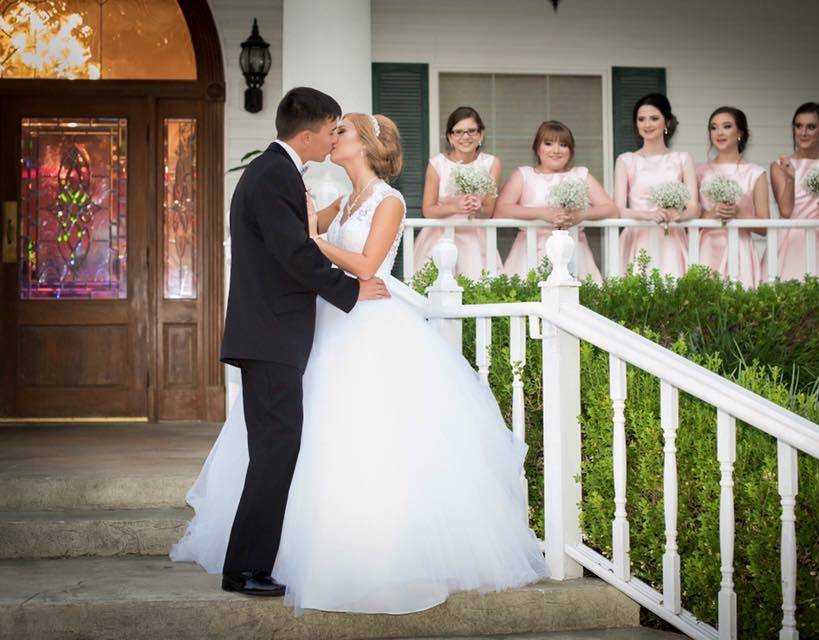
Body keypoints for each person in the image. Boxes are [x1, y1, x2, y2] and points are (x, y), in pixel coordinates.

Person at [172, 109, 547, 615]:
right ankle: (275, 547)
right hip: (328, 316)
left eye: (342, 130)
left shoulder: (388, 201)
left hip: (368, 320)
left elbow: (368, 265)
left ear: (366, 144)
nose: (333, 137)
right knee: (300, 434)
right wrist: (307, 221)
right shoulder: (343, 199)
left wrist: (316, 242)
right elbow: (297, 234)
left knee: (363, 432)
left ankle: (364, 550)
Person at [199, 87, 388, 597]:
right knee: (277, 449)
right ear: (307, 134)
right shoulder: (273, 176)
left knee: (272, 449)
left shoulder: (273, 173)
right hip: (271, 333)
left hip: (268, 332)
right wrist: (352, 290)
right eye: (331, 129)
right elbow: (295, 254)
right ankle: (246, 569)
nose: (333, 138)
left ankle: (246, 563)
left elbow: (295, 246)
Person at [497, 120, 615, 281]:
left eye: (563, 145)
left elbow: (611, 209)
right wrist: (542, 214)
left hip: (574, 253)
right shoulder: (524, 174)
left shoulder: (580, 175)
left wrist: (580, 215)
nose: (556, 150)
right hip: (529, 253)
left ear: (571, 151)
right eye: (548, 143)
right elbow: (501, 210)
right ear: (537, 148)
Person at [412, 106, 502, 279]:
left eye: (471, 131)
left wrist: (478, 209)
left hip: (475, 239)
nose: (466, 137)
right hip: (440, 236)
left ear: (481, 135)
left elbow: (489, 211)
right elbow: (428, 209)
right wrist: (456, 207)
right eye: (458, 132)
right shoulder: (437, 164)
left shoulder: (492, 163)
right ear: (450, 137)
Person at [615, 93, 698, 278]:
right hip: (638, 237)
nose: (647, 124)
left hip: (671, 238)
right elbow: (619, 209)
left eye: (654, 118)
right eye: (641, 119)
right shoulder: (626, 160)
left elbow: (694, 207)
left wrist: (678, 215)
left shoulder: (682, 159)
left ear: (667, 122)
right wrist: (648, 215)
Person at [766, 102, 819, 280]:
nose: (803, 132)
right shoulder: (780, 165)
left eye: (811, 127)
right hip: (788, 240)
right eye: (798, 126)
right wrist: (791, 177)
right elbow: (785, 211)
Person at [696, 107, 768, 287]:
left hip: (740, 249)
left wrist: (738, 213)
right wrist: (711, 214)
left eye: (726, 126)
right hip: (706, 248)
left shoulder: (755, 173)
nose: (719, 133)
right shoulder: (699, 172)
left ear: (740, 133)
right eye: (713, 128)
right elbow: (689, 219)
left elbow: (764, 227)